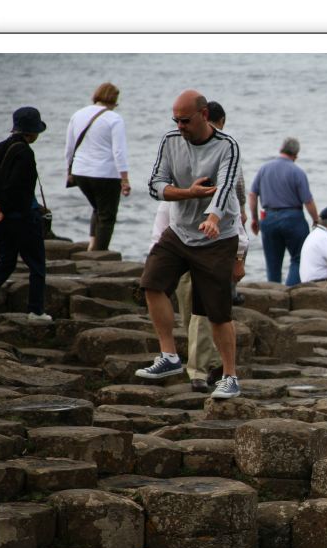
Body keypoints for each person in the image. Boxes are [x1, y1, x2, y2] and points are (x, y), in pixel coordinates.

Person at [136, 89, 243, 400]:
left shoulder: (227, 146)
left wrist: (212, 217)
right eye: (176, 120)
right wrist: (189, 194)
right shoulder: (170, 141)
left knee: (218, 313)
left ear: (204, 115)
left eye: (185, 120)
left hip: (217, 237)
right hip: (179, 231)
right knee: (151, 283)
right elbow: (155, 185)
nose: (179, 125)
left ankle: (230, 376)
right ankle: (169, 357)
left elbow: (225, 189)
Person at [0, 106, 53, 326]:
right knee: (37, 264)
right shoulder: (25, 153)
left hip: (1, 218)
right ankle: (36, 311)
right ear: (32, 132)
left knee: (6, 262)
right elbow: (18, 189)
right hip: (22, 219)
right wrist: (9, 210)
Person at [64, 82, 131, 251]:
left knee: (98, 208)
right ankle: (99, 254)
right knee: (107, 215)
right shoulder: (114, 118)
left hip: (80, 172)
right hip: (105, 174)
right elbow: (119, 152)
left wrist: (69, 171)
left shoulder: (77, 115)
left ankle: (92, 246)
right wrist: (125, 179)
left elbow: (69, 148)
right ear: (114, 99)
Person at [247, 137, 320, 285]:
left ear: (281, 149)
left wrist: (255, 219)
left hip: (268, 218)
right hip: (293, 218)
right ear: (296, 154)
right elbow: (308, 200)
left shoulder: (264, 169)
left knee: (272, 262)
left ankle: (274, 296)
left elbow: (252, 194)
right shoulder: (297, 171)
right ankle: (290, 291)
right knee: (299, 258)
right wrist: (316, 219)